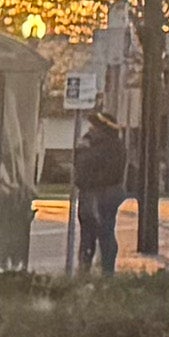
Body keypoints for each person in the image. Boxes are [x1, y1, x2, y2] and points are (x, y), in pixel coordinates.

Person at [70, 114, 127, 274]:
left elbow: (92, 167)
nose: (90, 128)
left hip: (101, 193)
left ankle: (102, 270)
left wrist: (88, 181)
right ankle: (90, 268)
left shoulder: (108, 146)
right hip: (92, 192)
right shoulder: (104, 144)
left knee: (102, 231)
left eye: (94, 125)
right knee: (92, 232)